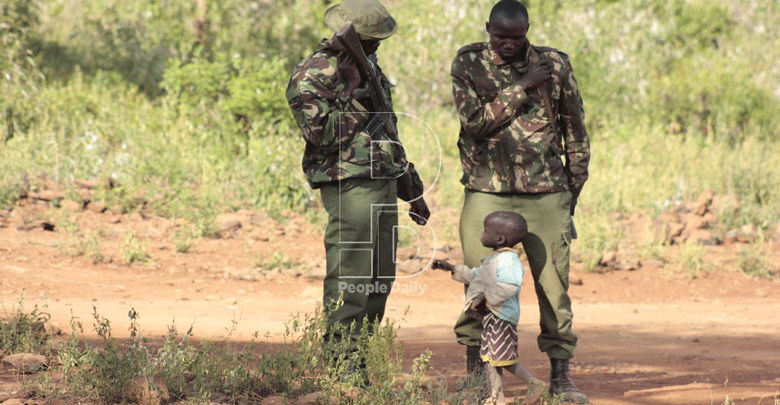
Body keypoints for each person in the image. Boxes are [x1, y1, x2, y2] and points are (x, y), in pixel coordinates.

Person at [449, 0, 591, 402]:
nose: (507, 44)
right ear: (487, 30)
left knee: (554, 290)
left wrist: (570, 195)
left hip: (546, 194)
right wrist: (523, 85)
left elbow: (575, 133)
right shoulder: (469, 63)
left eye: (516, 37)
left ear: (527, 30)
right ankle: (477, 379)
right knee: (480, 285)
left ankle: (561, 378)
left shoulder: (556, 65)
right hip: (486, 192)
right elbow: (474, 125)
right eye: (500, 37)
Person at [286, 0, 430, 384]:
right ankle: (340, 366)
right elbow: (321, 135)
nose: (377, 47)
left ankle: (357, 360)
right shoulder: (313, 73)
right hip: (347, 182)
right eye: (371, 41)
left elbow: (387, 130)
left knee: (381, 277)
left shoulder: (369, 66)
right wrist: (352, 93)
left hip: (381, 180)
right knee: (352, 276)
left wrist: (410, 187)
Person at [433, 211, 544, 405]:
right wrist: (452, 268)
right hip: (493, 316)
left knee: (500, 358)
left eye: (486, 230)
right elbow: (477, 276)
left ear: (499, 238)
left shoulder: (509, 261)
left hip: (502, 317)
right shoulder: (495, 259)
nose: (482, 234)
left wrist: (486, 295)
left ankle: (533, 383)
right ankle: (497, 397)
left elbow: (509, 286)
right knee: (491, 357)